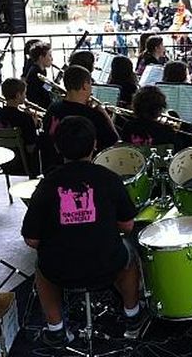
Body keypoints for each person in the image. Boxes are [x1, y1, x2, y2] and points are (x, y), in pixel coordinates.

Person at [22, 116, 148, 347]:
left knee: (42, 268)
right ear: (95, 145)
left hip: (60, 271)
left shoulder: (47, 184)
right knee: (130, 253)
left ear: (58, 147)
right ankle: (133, 315)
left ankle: (56, 329)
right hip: (107, 266)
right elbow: (127, 225)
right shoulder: (110, 179)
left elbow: (31, 239)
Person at [41, 65, 119, 173]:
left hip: (54, 170)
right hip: (87, 173)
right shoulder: (94, 115)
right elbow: (114, 141)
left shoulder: (52, 108)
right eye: (90, 84)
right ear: (84, 86)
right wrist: (104, 114)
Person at [0, 78, 39, 171]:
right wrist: (34, 125)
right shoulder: (24, 118)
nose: (25, 96)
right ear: (18, 95)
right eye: (24, 94)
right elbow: (31, 145)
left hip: (4, 161)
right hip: (23, 163)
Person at [25, 42, 54, 109]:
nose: (51, 59)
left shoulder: (41, 70)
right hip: (38, 106)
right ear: (41, 58)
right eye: (49, 55)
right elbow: (45, 90)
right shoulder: (36, 73)